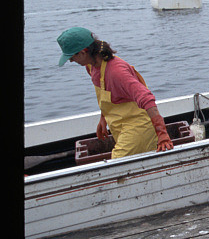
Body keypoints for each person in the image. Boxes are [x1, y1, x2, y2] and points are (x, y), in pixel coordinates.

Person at [57, 27, 173, 158]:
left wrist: (162, 133)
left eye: (72, 58)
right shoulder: (91, 67)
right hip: (119, 126)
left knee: (116, 165)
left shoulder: (117, 72)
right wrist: (103, 118)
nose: (72, 62)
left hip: (138, 127)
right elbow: (108, 94)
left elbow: (147, 99)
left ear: (83, 52)